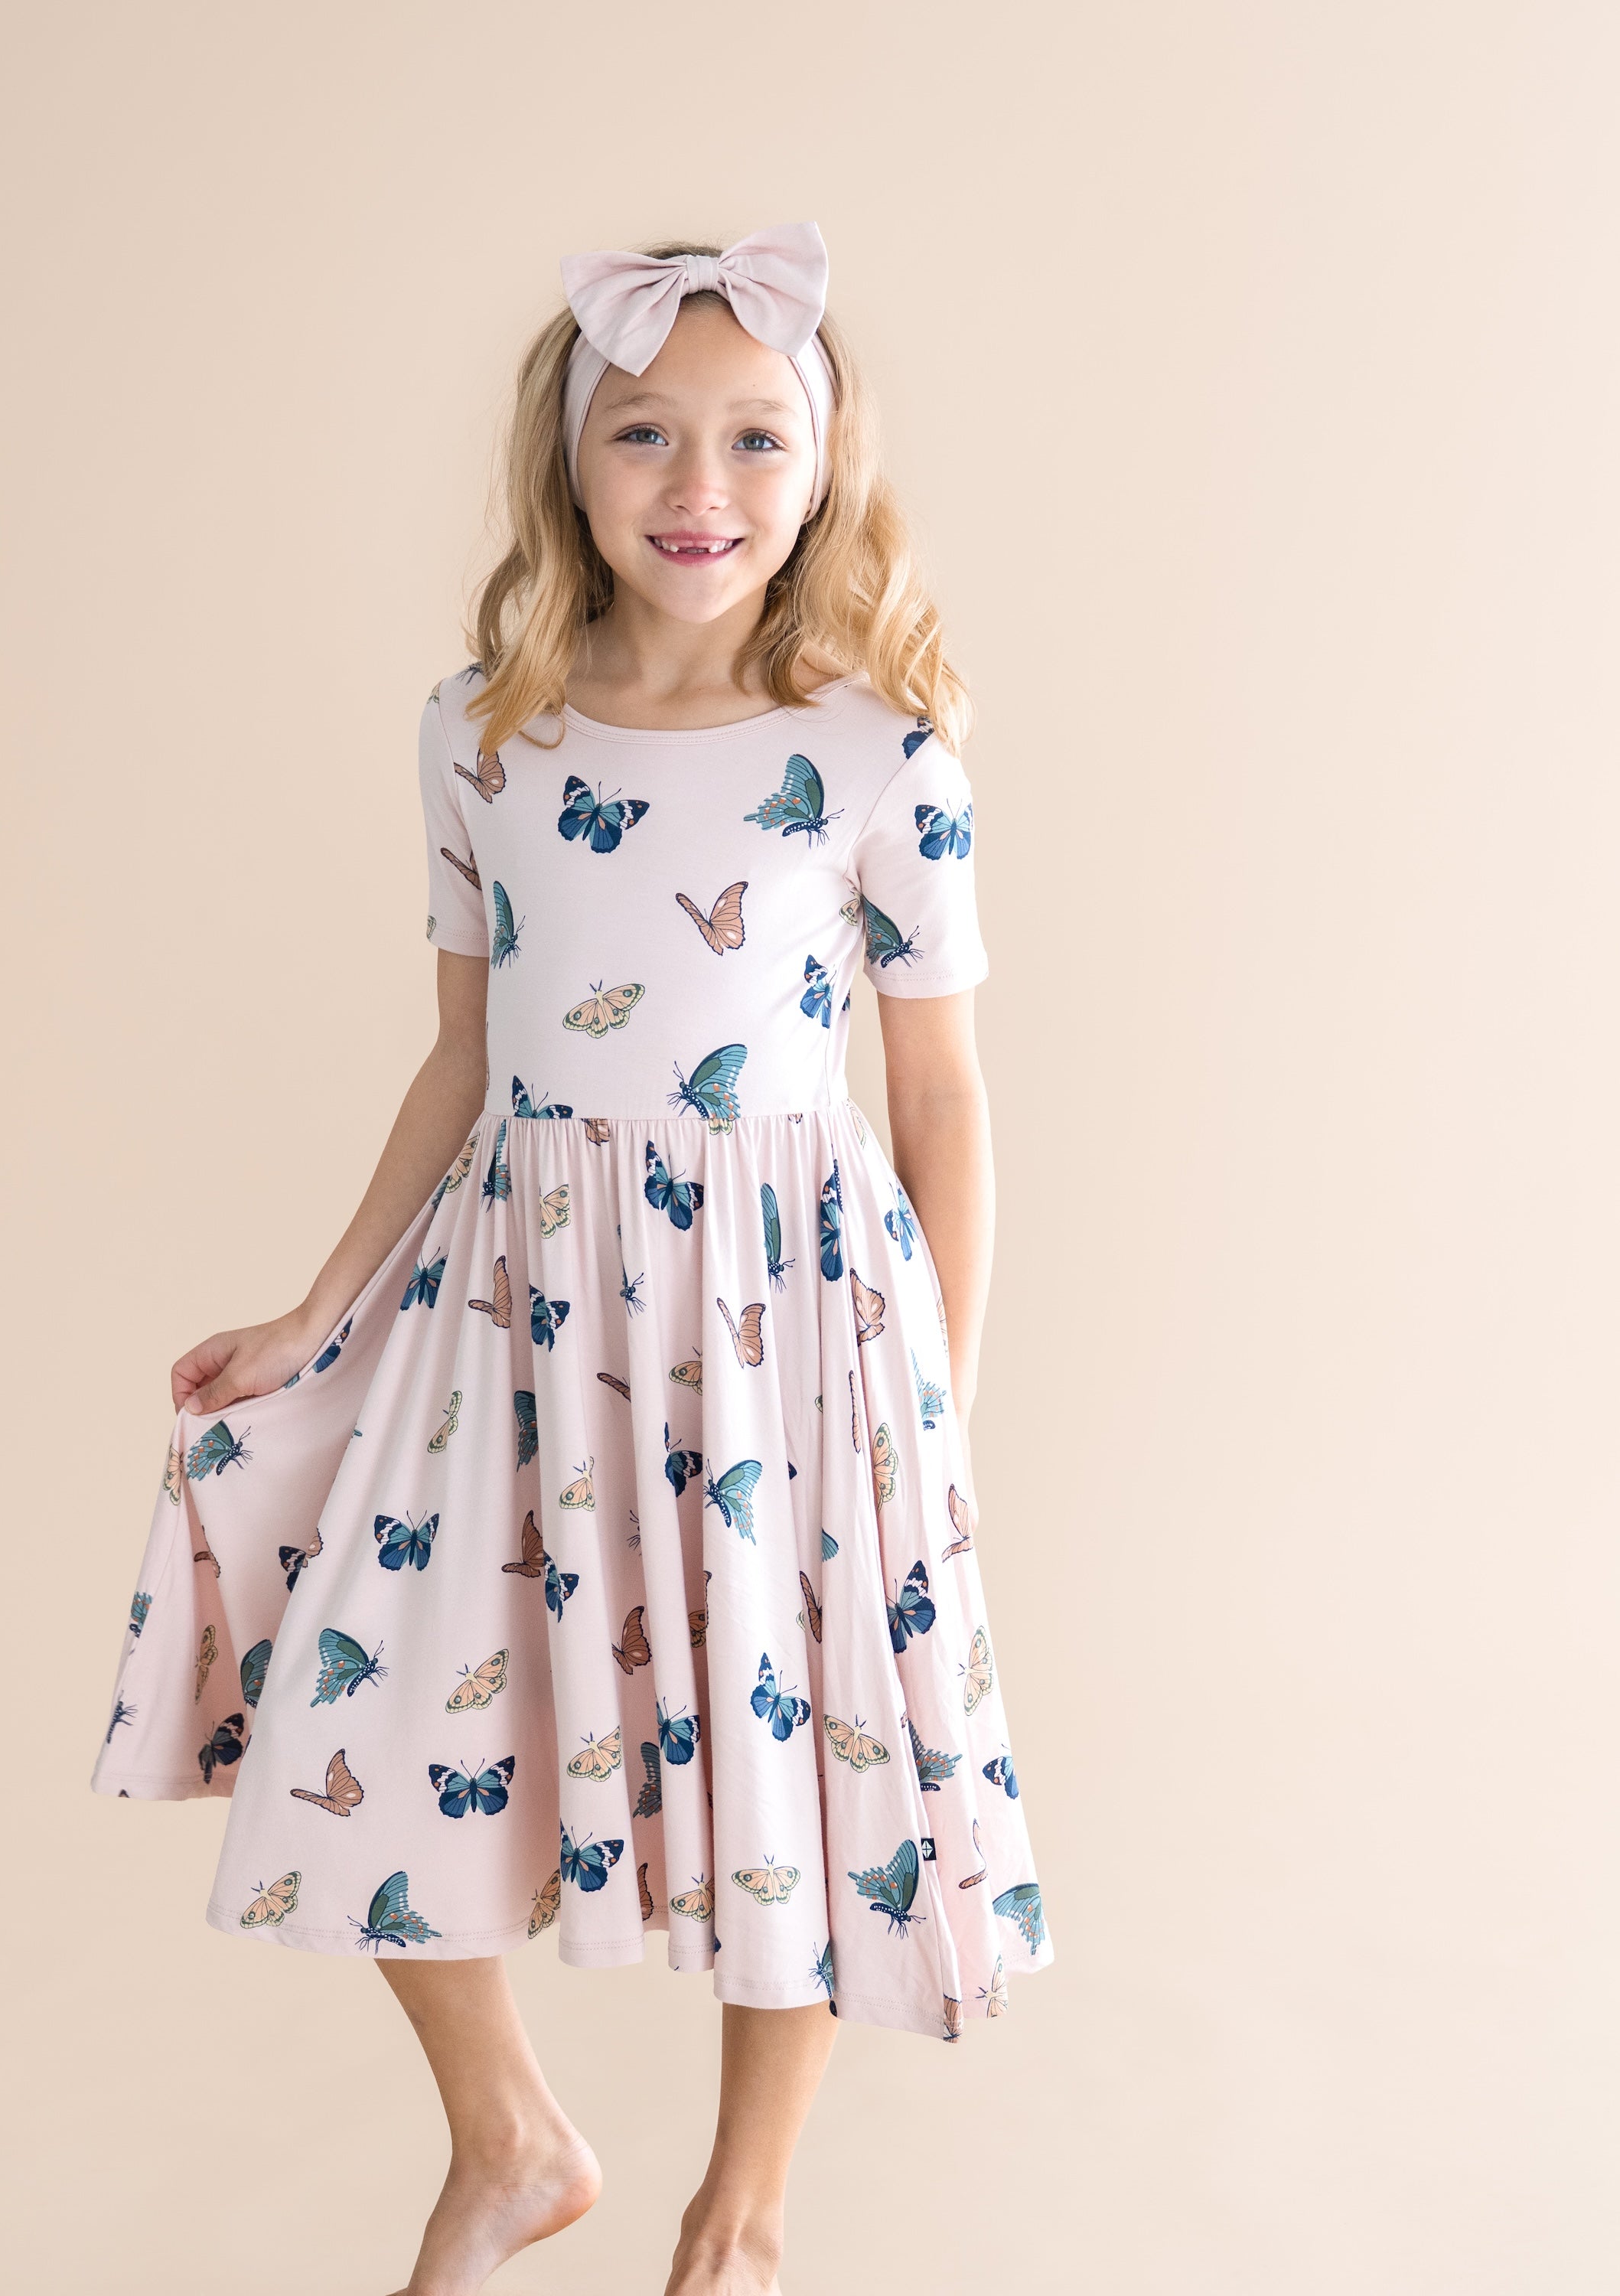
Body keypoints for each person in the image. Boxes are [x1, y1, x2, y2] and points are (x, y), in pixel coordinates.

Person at [92, 223, 1051, 2296]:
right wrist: (315, 1314)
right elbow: (463, 1058)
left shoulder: (880, 752)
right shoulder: (485, 735)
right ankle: (511, 2135)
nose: (697, 489)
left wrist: (936, 1405)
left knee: (794, 1729)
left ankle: (746, 2211)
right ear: (571, 464)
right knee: (337, 1615)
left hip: (784, 1318)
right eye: (644, 435)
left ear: (820, 472)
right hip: (523, 1295)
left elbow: (944, 1100)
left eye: (752, 441)